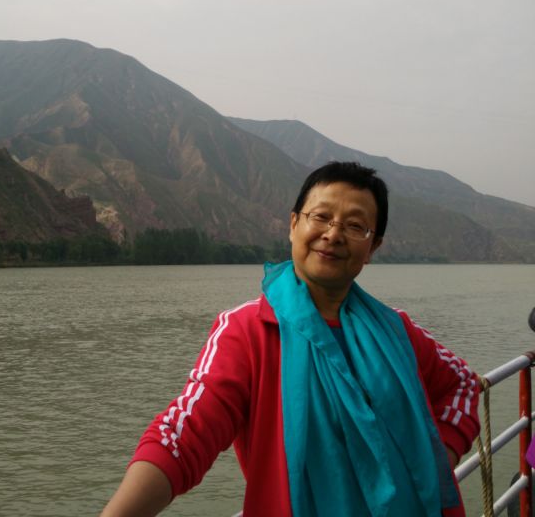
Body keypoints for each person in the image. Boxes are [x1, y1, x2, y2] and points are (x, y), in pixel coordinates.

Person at [100, 162, 480, 517]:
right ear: (294, 224)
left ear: (373, 247)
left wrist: (436, 459)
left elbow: (462, 381)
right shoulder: (248, 331)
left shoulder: (396, 331)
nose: (333, 234)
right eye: (321, 217)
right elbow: (185, 436)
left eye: (355, 226)